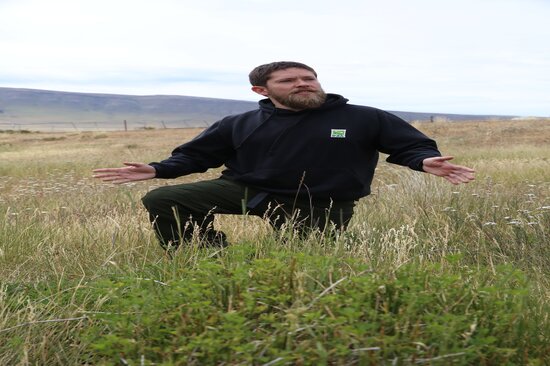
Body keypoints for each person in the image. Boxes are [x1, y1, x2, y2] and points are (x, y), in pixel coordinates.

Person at [93, 61, 475, 250]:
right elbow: (196, 156)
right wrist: (159, 169)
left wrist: (424, 160)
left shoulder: (361, 117)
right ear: (263, 90)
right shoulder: (239, 122)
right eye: (289, 80)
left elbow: (409, 144)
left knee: (307, 261)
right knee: (165, 199)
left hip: (319, 202)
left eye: (308, 77)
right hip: (246, 189)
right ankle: (206, 255)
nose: (303, 83)